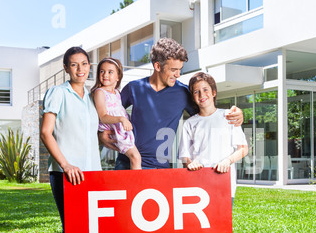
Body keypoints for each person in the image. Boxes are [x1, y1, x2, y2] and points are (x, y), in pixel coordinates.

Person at [99, 38, 244, 170]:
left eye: (180, 69)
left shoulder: (183, 92)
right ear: (157, 66)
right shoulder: (133, 88)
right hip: (127, 163)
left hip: (159, 168)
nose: (178, 74)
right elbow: (105, 113)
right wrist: (100, 135)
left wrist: (236, 114)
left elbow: (208, 114)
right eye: (173, 70)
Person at [40, 47, 102, 233]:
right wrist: (66, 165)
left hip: (93, 175)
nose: (80, 69)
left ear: (89, 67)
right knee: (71, 231)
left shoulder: (91, 97)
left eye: (85, 64)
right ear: (66, 68)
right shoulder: (58, 93)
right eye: (74, 65)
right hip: (65, 173)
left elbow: (93, 135)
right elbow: (46, 132)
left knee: (90, 230)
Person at [178, 72, 248, 202]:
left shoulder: (229, 116)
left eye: (205, 89)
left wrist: (227, 161)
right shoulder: (189, 123)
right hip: (198, 184)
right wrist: (190, 163)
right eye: (196, 92)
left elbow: (243, 149)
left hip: (224, 182)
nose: (202, 95)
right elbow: (184, 156)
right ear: (193, 97)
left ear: (214, 92)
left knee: (223, 222)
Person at [91, 57, 141, 170]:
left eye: (110, 72)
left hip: (120, 128)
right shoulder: (100, 92)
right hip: (114, 129)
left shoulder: (117, 92)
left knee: (134, 156)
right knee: (136, 157)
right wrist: (121, 119)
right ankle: (138, 185)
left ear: (118, 77)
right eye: (102, 71)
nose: (105, 75)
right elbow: (103, 116)